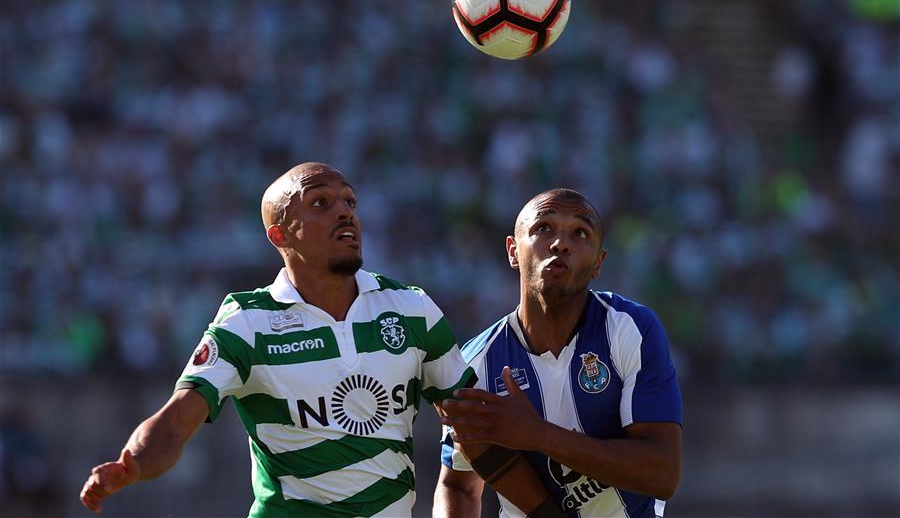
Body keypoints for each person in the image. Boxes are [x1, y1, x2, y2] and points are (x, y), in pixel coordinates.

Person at [81, 162, 556, 517]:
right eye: (321, 203)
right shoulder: (247, 322)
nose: (345, 213)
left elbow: (474, 431)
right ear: (280, 233)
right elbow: (175, 421)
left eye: (350, 201)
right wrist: (133, 464)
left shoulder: (410, 309)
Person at [435, 188, 683, 518]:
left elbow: (662, 474)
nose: (561, 243)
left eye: (580, 233)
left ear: (598, 262)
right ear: (512, 251)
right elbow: (459, 485)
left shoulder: (630, 328)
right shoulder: (475, 364)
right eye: (543, 228)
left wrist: (538, 435)